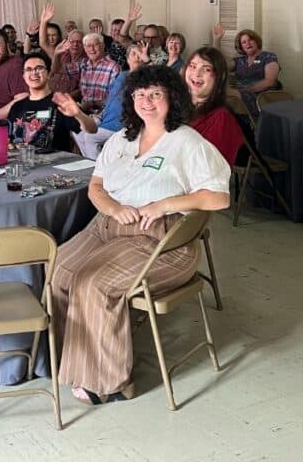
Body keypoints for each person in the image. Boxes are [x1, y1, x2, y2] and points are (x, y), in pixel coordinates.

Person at [52, 65, 231, 404]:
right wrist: (112, 208)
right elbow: (96, 186)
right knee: (59, 269)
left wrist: (166, 204)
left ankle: (108, 382)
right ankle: (69, 359)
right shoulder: (121, 139)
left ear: (171, 98)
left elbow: (219, 197)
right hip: (108, 225)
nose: (146, 101)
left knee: (94, 283)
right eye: (139, 95)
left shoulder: (186, 142)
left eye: (155, 94)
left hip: (160, 239)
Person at [7, 52, 97, 153]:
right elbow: (9, 140)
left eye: (39, 68)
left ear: (49, 73)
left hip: (55, 165)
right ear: (23, 76)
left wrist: (78, 114)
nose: (34, 73)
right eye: (29, 69)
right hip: (24, 164)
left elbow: (93, 129)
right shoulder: (17, 107)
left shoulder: (61, 103)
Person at [72, 43, 149, 160]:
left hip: (122, 123)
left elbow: (159, 76)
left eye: (140, 54)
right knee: (77, 130)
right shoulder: (122, 75)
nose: (137, 57)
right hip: (106, 118)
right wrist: (100, 113)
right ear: (127, 59)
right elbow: (111, 100)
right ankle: (91, 161)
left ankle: (97, 168)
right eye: (134, 54)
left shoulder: (145, 79)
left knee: (89, 138)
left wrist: (147, 60)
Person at [184, 47, 244, 164]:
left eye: (206, 69)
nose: (197, 73)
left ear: (219, 77)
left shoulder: (221, 118)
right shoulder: (175, 108)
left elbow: (210, 167)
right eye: (192, 66)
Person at [214, 24, 282, 117]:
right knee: (221, 97)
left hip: (259, 98)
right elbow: (219, 61)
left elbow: (269, 82)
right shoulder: (240, 61)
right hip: (238, 96)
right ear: (241, 47)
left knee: (224, 96)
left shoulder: (268, 57)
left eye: (250, 40)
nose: (248, 43)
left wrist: (246, 90)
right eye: (244, 42)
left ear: (256, 41)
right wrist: (217, 39)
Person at [73, 33, 120, 111]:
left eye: (95, 45)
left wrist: (92, 103)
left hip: (103, 113)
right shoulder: (83, 63)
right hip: (83, 111)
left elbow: (115, 99)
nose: (92, 49)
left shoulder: (113, 67)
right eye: (88, 46)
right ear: (84, 48)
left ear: (103, 45)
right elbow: (60, 70)